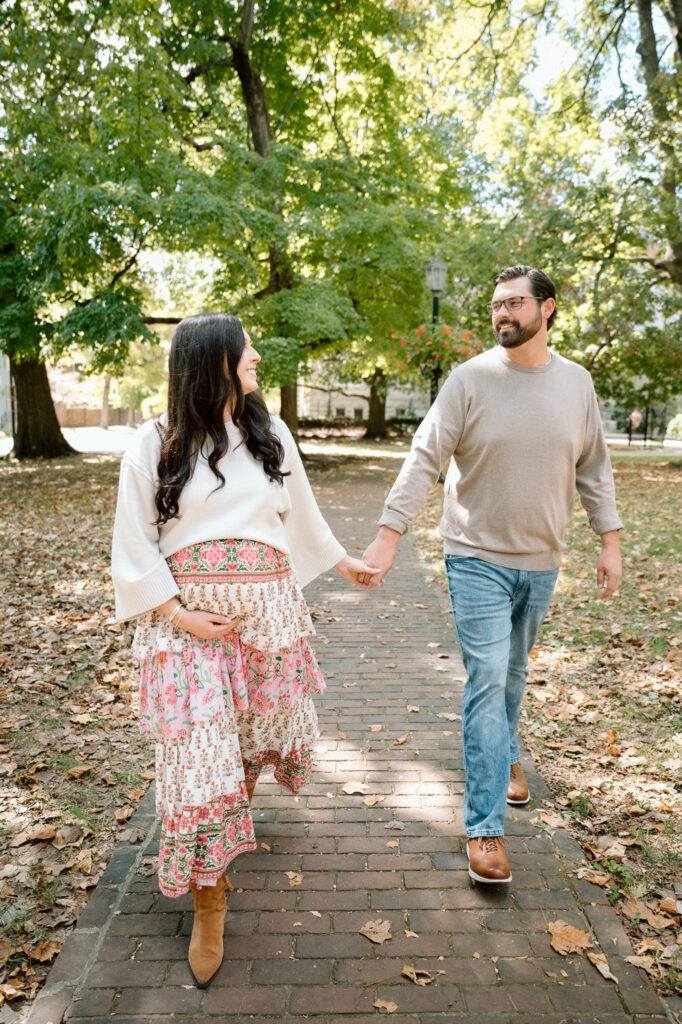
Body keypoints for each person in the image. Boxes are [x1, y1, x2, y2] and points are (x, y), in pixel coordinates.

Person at [111, 313, 379, 987]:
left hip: (268, 619)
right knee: (198, 763)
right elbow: (133, 541)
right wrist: (176, 611)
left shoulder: (268, 432)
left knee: (248, 745)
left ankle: (223, 851)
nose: (257, 356)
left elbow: (304, 513)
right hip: (185, 629)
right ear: (212, 362)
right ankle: (208, 901)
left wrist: (345, 564)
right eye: (245, 349)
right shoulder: (154, 443)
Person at [361, 265, 622, 884]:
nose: (502, 313)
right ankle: (484, 829)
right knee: (485, 676)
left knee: (512, 671)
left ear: (547, 308)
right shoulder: (470, 378)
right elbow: (426, 456)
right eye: (496, 305)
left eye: (514, 304)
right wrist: (388, 533)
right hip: (474, 554)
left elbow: (594, 469)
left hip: (542, 558)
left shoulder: (577, 384)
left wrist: (608, 542)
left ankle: (504, 757)